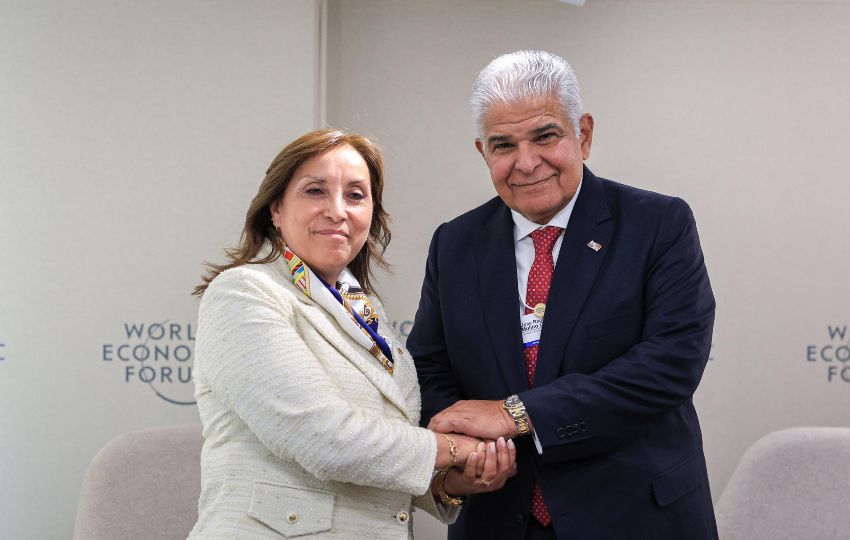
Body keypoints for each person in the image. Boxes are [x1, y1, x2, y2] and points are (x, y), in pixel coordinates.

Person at [408, 50, 718, 539]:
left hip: (636, 516)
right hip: (497, 518)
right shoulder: (455, 243)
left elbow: (670, 363)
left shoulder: (658, 224)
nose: (526, 163)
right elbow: (429, 366)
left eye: (545, 136)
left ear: (584, 135)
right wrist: (464, 450)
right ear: (482, 152)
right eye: (503, 144)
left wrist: (516, 416)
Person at [188, 129, 516, 539]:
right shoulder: (244, 293)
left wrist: (449, 483)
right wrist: (453, 449)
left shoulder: (366, 313)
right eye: (315, 191)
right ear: (275, 208)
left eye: (356, 195)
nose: (337, 211)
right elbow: (321, 439)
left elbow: (373, 461)